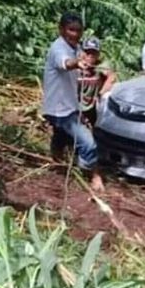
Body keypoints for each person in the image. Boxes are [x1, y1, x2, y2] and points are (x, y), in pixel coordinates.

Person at [42, 11, 104, 191]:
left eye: (78, 30)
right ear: (61, 29)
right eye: (71, 30)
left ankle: (57, 163)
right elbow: (66, 63)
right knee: (88, 142)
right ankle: (89, 173)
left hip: (68, 106)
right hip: (59, 108)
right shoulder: (58, 48)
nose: (75, 34)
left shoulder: (75, 48)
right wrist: (77, 63)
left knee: (61, 136)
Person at [78, 36, 117, 127]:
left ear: (98, 55)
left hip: (93, 106)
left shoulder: (100, 66)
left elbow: (112, 77)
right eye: (87, 52)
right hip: (76, 107)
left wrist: (101, 93)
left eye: (93, 53)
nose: (90, 56)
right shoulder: (75, 67)